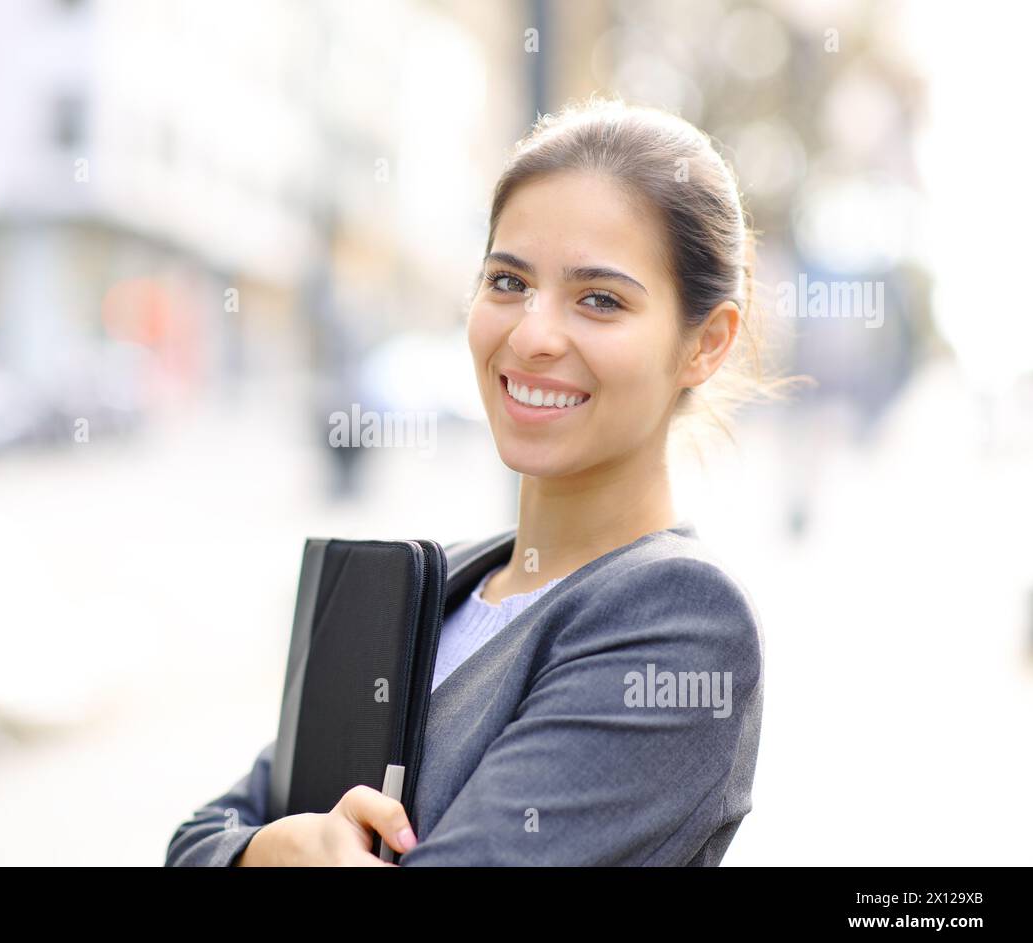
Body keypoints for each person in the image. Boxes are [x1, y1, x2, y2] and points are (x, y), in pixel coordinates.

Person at [166, 94, 801, 866]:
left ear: (706, 343)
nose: (532, 335)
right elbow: (195, 839)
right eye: (508, 282)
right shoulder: (418, 584)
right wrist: (271, 851)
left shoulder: (681, 623)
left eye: (600, 299)